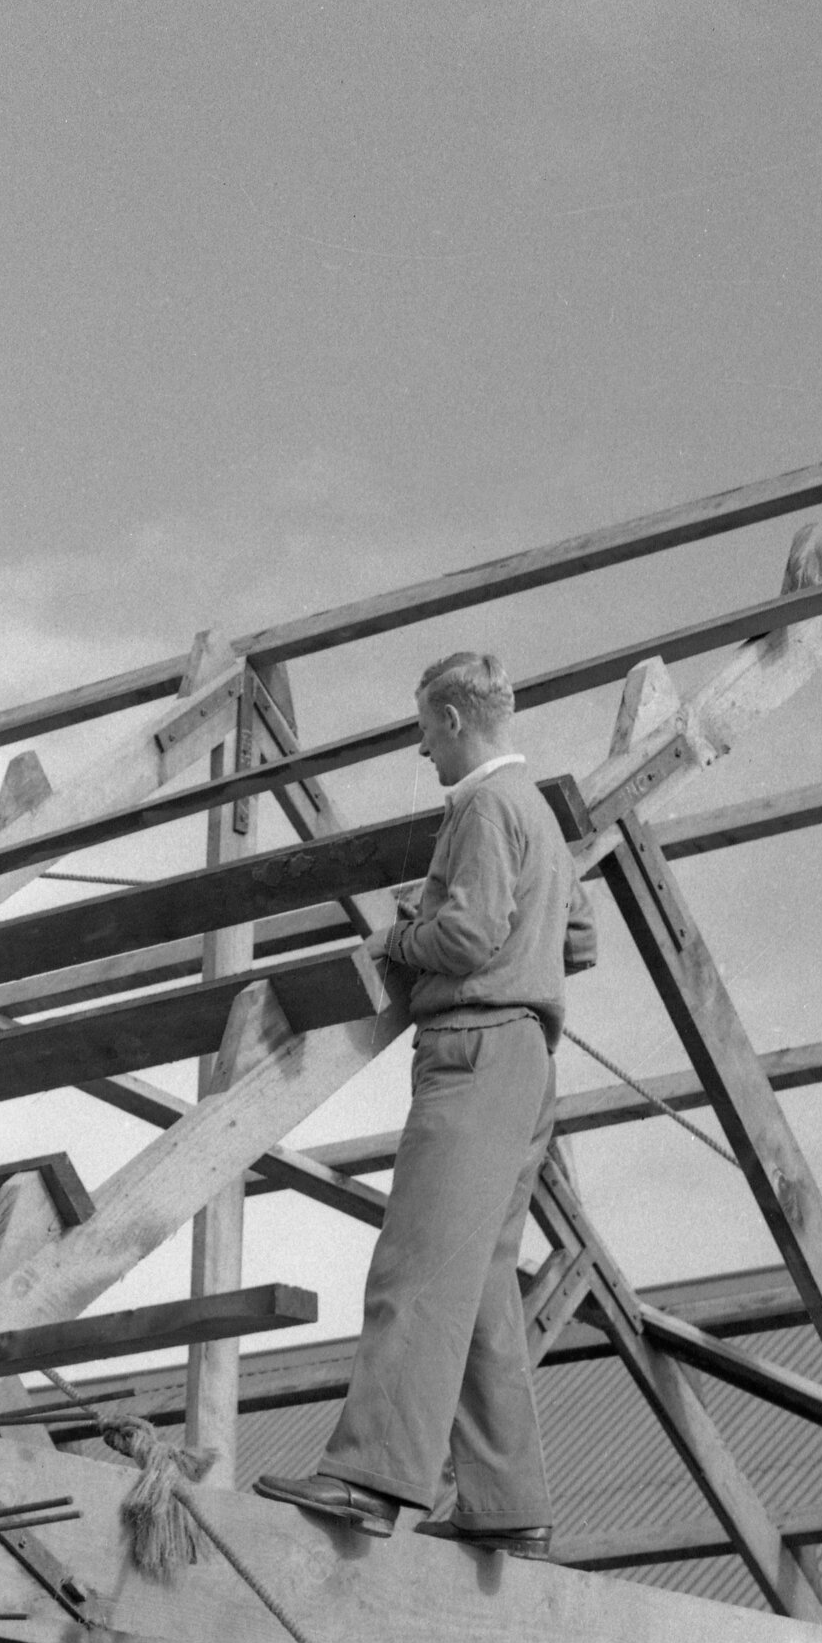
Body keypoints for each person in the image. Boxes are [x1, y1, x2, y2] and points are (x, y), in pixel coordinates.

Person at [255, 649, 595, 1555]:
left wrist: (404, 932)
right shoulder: (538, 814)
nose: (422, 753)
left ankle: (370, 1476)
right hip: (527, 1059)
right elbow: (579, 938)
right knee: (479, 1282)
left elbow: (470, 932)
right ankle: (505, 1503)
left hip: (472, 1052)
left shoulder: (482, 805)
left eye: (421, 731)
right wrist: (486, 923)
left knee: (414, 1267)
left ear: (450, 719)